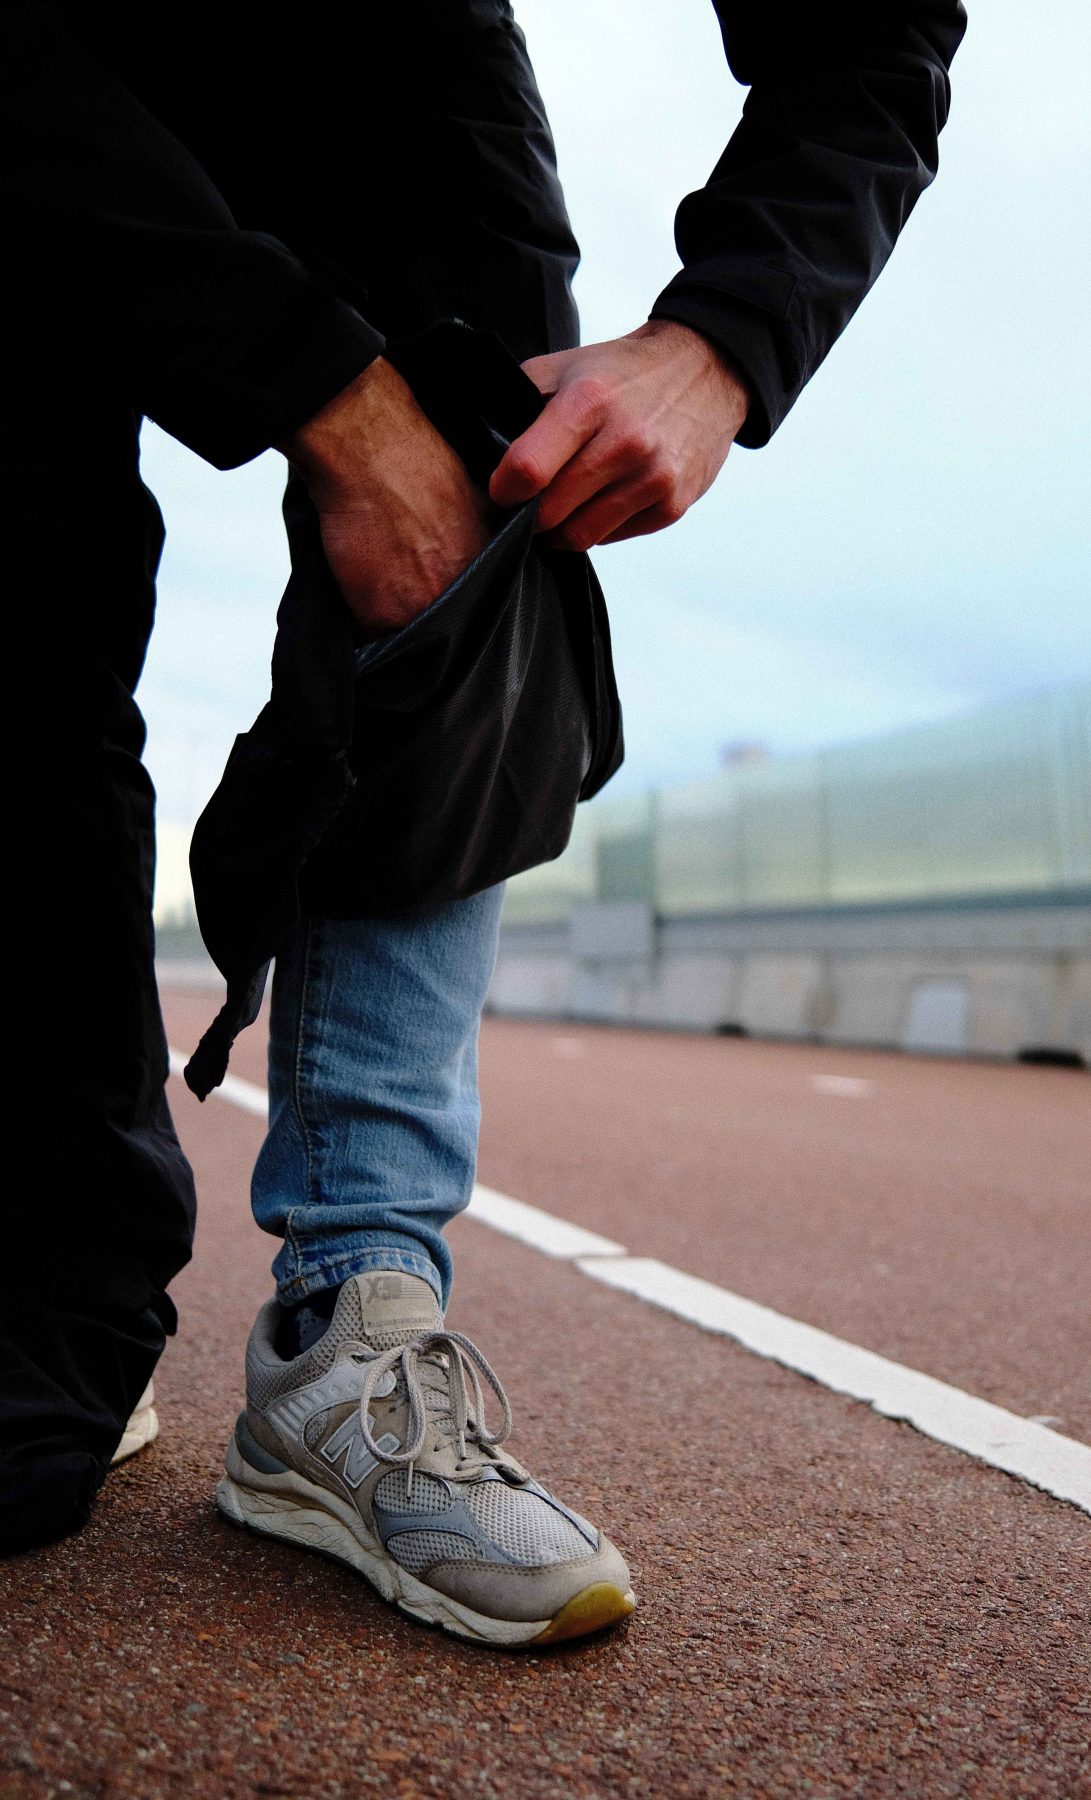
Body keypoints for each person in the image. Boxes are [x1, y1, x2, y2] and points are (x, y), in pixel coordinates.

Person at [1, 1, 967, 1643]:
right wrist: (316, 392)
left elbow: (870, 37)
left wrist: (722, 339)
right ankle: (47, 1265)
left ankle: (348, 1332)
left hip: (387, 58)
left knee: (479, 516)